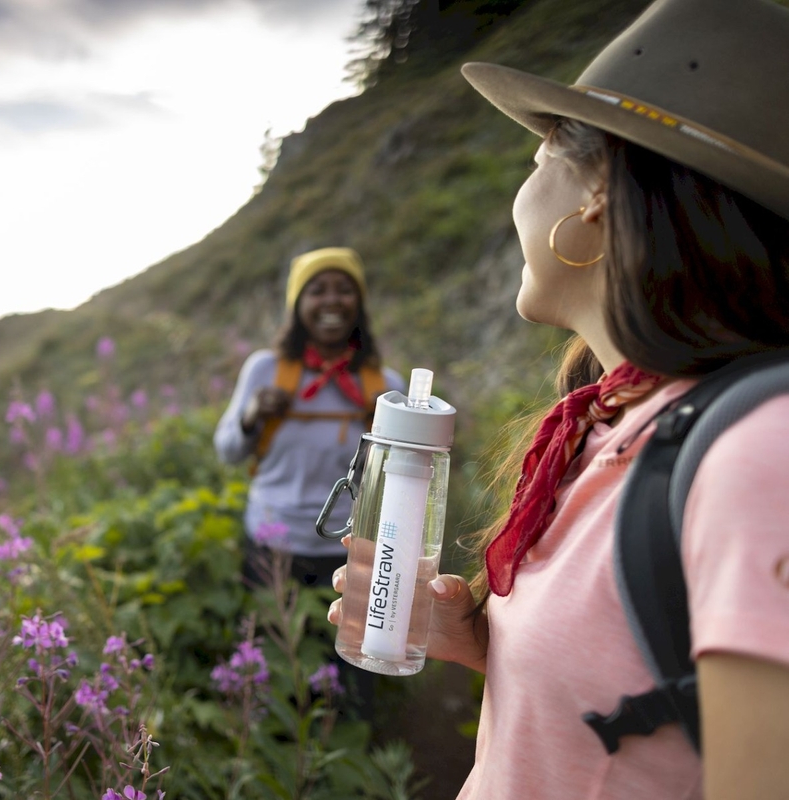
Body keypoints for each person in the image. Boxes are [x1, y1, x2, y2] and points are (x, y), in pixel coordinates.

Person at [326, 0, 789, 796]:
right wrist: (481, 637)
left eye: (540, 154)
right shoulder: (615, 420)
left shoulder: (758, 452)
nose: (522, 184)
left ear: (598, 192)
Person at [215, 247, 405, 587]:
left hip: (348, 545)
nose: (331, 300)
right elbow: (227, 452)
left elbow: (397, 483)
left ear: (358, 304)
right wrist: (251, 415)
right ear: (297, 304)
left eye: (344, 290)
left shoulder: (386, 386)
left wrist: (390, 433)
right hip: (270, 543)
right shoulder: (265, 370)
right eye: (317, 290)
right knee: (273, 639)